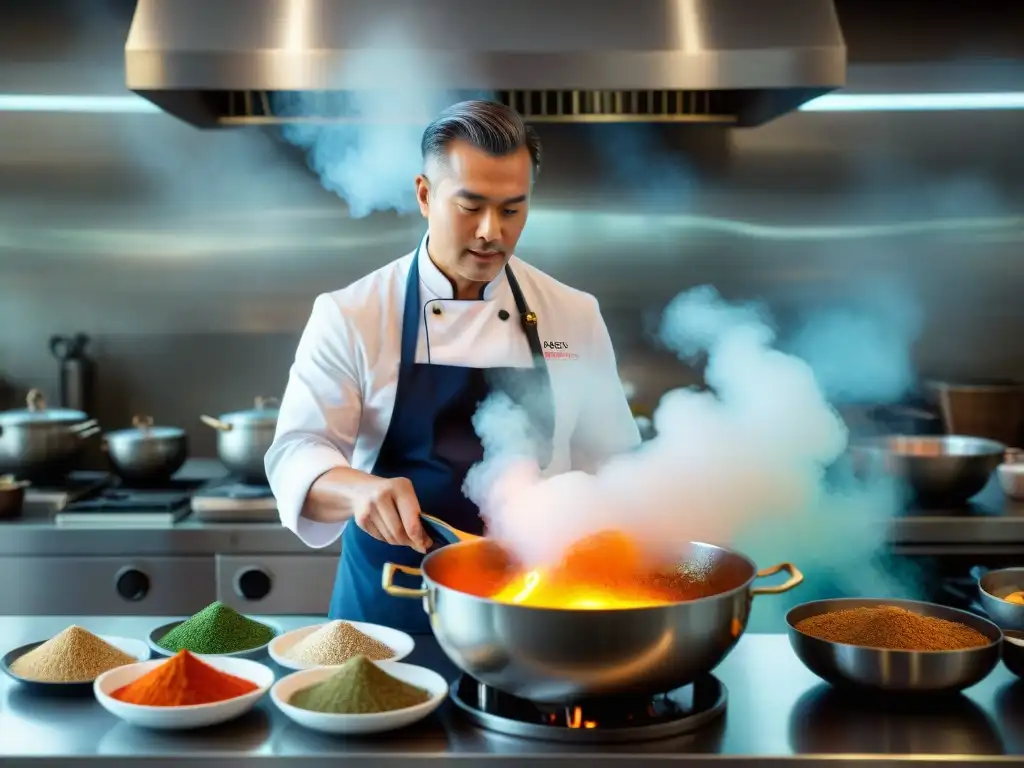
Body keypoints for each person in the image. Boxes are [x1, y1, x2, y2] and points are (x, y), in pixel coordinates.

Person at [265, 100, 640, 633]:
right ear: (424, 194)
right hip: (391, 605)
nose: (492, 232)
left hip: (533, 609)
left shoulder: (573, 313)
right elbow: (296, 454)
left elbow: (613, 461)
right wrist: (360, 491)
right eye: (471, 206)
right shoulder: (352, 313)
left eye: (512, 209)